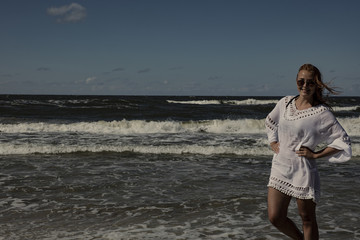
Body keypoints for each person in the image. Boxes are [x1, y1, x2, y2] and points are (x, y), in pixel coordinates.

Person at [265, 63, 352, 240]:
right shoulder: (285, 102)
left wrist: (316, 154)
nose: (305, 85)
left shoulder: (322, 113)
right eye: (301, 81)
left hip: (303, 170)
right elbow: (269, 121)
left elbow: (342, 140)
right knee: (275, 217)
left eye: (310, 82)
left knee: (307, 219)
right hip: (280, 167)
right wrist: (273, 141)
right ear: (296, 81)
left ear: (317, 84)